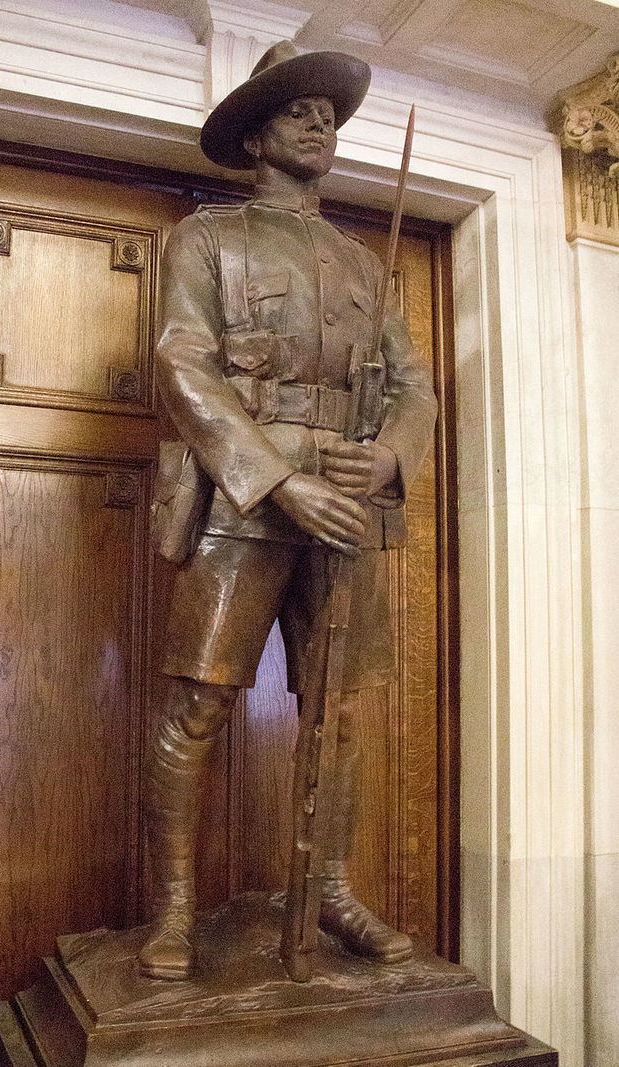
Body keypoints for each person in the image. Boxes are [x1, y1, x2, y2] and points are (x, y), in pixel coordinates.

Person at [139, 40, 437, 981]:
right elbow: (184, 363)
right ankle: (175, 912)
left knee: (338, 712)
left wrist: (388, 452)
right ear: (257, 130)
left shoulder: (362, 260)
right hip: (245, 501)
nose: (322, 124)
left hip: (349, 507)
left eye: (330, 115)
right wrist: (276, 478)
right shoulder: (204, 238)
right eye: (301, 110)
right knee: (198, 703)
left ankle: (332, 891)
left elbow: (416, 387)